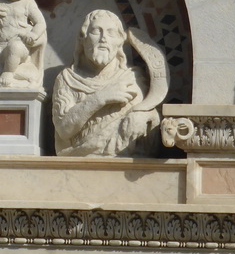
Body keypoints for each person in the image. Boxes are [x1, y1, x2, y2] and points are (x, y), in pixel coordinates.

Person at [52, 9, 159, 156]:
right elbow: (64, 130)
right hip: (78, 161)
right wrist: (100, 98)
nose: (104, 39)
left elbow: (147, 116)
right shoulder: (67, 79)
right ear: (83, 39)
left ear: (120, 41)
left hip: (128, 164)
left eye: (111, 33)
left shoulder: (132, 78)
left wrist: (145, 116)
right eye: (96, 32)